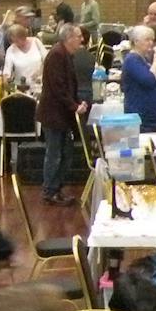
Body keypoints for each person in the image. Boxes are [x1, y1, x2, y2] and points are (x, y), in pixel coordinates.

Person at [38, 23, 90, 204]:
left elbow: (68, 86)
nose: (82, 39)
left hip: (62, 114)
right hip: (54, 115)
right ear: (69, 38)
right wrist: (74, 106)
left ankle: (57, 188)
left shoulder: (65, 54)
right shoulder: (57, 55)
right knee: (55, 154)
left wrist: (77, 102)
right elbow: (58, 87)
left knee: (65, 154)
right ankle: (49, 191)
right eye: (78, 36)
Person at [118, 25, 156, 132]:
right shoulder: (132, 60)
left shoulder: (144, 59)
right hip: (143, 119)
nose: (151, 43)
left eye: (152, 39)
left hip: (153, 119)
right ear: (136, 41)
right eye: (147, 40)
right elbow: (149, 81)